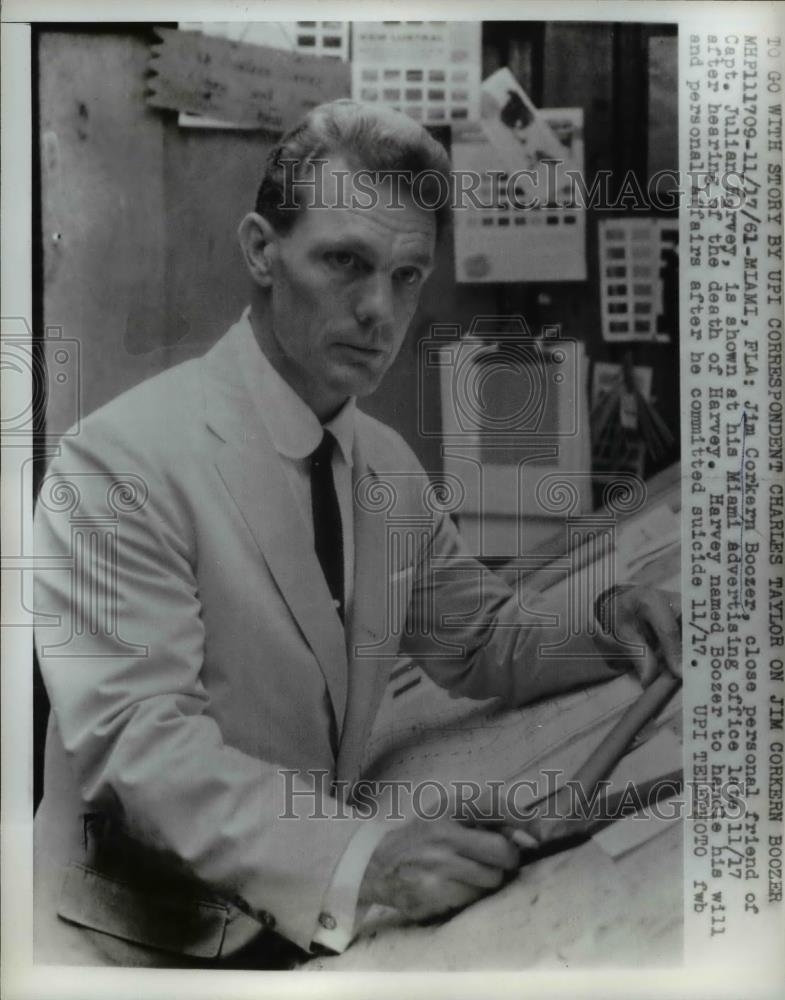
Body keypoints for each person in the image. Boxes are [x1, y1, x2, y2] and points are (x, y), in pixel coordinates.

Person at [33, 99, 682, 968]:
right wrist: (361, 860)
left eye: (408, 275)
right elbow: (142, 749)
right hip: (130, 947)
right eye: (345, 262)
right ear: (261, 250)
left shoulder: (381, 466)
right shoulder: (114, 462)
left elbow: (484, 635)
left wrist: (606, 625)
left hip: (299, 927)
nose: (380, 308)